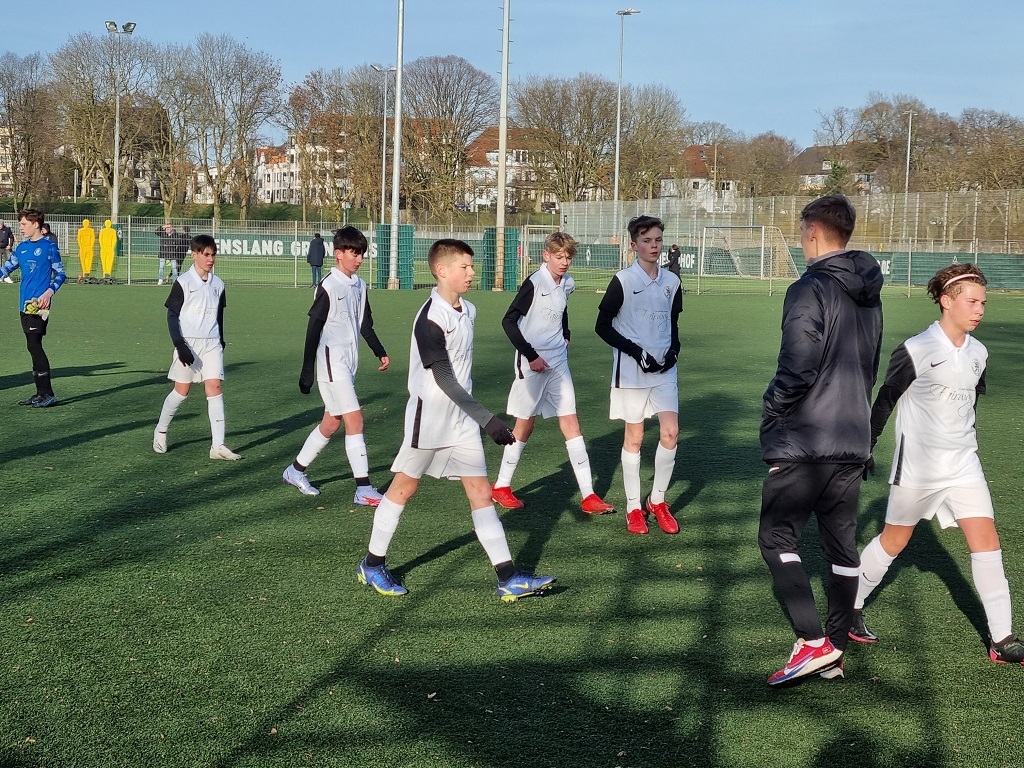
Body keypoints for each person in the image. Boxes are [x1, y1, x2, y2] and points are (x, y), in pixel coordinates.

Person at [355, 238, 556, 602]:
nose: (471, 272)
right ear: (441, 270)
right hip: (430, 419)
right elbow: (444, 378)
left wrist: (477, 419)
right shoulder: (430, 319)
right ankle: (372, 564)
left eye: (471, 266)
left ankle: (507, 577)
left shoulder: (470, 310)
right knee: (403, 489)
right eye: (464, 266)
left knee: (480, 492)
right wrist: (488, 420)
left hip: (462, 421)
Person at [851, 263, 1024, 665]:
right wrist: (866, 447)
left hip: (964, 465)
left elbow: (971, 404)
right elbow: (885, 401)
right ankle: (849, 606)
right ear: (947, 301)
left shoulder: (979, 353)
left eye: (983, 303)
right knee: (894, 541)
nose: (979, 310)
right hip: (918, 467)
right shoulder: (916, 349)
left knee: (987, 542)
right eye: (972, 302)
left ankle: (1003, 638)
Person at [758, 194, 883, 686]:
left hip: (807, 437)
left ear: (811, 230)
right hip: (853, 435)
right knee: (841, 545)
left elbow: (798, 364)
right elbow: (869, 367)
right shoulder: (870, 293)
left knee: (776, 537)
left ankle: (813, 643)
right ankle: (833, 648)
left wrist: (773, 411)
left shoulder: (809, 286)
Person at [491, 231, 613, 515]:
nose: (564, 262)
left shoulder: (568, 283)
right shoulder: (534, 283)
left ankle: (589, 495)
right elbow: (508, 321)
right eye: (559, 257)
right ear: (546, 256)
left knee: (571, 422)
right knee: (525, 425)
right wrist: (531, 355)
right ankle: (501, 486)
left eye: (568, 257)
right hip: (531, 363)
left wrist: (566, 333)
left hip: (558, 362)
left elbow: (562, 310)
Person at [283, 226, 390, 506]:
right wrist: (307, 371)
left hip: (349, 362)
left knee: (331, 422)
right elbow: (313, 329)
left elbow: (365, 324)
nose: (359, 259)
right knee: (355, 420)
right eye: (354, 253)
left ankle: (295, 470)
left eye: (362, 253)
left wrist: (379, 351)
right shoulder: (328, 286)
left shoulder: (360, 286)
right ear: (339, 253)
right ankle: (363, 489)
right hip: (332, 362)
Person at [595, 215, 683, 535]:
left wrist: (673, 352)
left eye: (658, 240)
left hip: (664, 370)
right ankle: (633, 507)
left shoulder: (672, 282)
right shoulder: (623, 280)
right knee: (635, 438)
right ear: (634, 245)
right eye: (646, 241)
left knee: (670, 433)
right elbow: (602, 326)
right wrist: (636, 353)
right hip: (632, 371)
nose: (654, 246)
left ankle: (657, 500)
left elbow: (673, 324)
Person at [152, 234, 241, 461]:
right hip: (188, 344)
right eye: (206, 254)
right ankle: (160, 431)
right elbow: (172, 315)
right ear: (194, 255)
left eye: (213, 255)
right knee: (182, 391)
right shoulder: (183, 282)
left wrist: (221, 340)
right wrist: (180, 345)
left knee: (215, 387)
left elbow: (219, 316)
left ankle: (218, 446)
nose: (211, 259)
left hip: (212, 344)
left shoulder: (219, 284)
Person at [0, 209, 67, 407]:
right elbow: (6, 268)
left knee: (34, 345)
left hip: (39, 305)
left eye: (24, 224)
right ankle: (40, 393)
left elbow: (61, 274)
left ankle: (47, 393)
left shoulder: (49, 247)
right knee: (32, 345)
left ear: (35, 224)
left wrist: (48, 293)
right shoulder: (22, 248)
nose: (20, 228)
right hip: (24, 304)